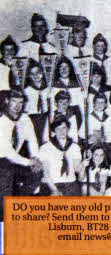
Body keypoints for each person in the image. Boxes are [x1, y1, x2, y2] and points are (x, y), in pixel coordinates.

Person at [0, 90, 41, 219]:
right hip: (3, 160)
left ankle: (19, 202)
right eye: (14, 102)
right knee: (6, 173)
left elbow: (32, 140)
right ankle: (4, 216)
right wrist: (29, 162)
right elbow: (7, 152)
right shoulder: (2, 120)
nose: (17, 106)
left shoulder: (24, 119)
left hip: (14, 161)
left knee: (37, 171)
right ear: (7, 101)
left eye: (20, 102)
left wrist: (35, 158)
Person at [39, 115, 83, 196]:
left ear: (68, 129)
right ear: (54, 130)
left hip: (70, 184)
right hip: (51, 184)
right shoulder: (45, 147)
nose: (61, 131)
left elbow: (77, 170)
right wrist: (55, 190)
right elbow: (46, 172)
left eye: (64, 128)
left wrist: (83, 165)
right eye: (58, 128)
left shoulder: (74, 147)